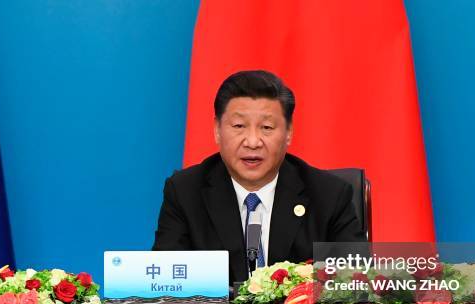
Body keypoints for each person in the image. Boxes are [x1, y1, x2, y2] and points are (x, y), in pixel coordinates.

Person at [152, 70, 365, 284]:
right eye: (238, 126)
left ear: (289, 132)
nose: (253, 141)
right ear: (217, 129)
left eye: (267, 127)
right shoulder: (185, 192)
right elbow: (166, 285)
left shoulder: (329, 195)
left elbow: (355, 284)